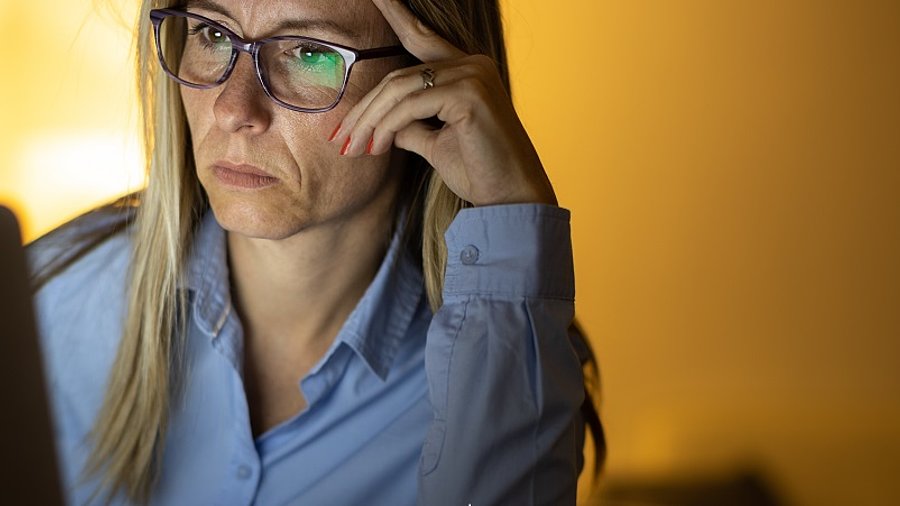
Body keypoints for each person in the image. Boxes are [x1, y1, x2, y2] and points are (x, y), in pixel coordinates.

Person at [28, 0, 606, 504]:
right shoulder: (47, 302)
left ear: (431, 81)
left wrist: (510, 209)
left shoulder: (504, 357)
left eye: (308, 52)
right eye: (213, 34)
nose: (234, 109)